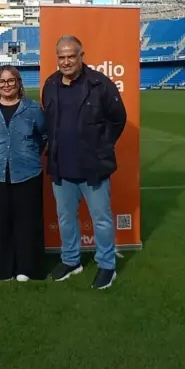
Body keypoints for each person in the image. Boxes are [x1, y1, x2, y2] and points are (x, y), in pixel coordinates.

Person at [41, 35, 127, 290]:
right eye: (61, 57)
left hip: (93, 168)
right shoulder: (51, 83)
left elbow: (118, 119)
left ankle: (107, 266)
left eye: (71, 56)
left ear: (81, 56)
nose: (66, 61)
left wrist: (101, 147)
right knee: (65, 219)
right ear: (57, 58)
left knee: (101, 219)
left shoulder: (100, 84)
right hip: (61, 166)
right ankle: (71, 261)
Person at [0, 66, 47, 282]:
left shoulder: (33, 109)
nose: (6, 85)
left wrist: (28, 154)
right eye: (2, 81)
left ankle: (27, 268)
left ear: (19, 83)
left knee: (27, 222)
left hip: (27, 173)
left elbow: (43, 136)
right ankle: (1, 269)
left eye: (11, 80)